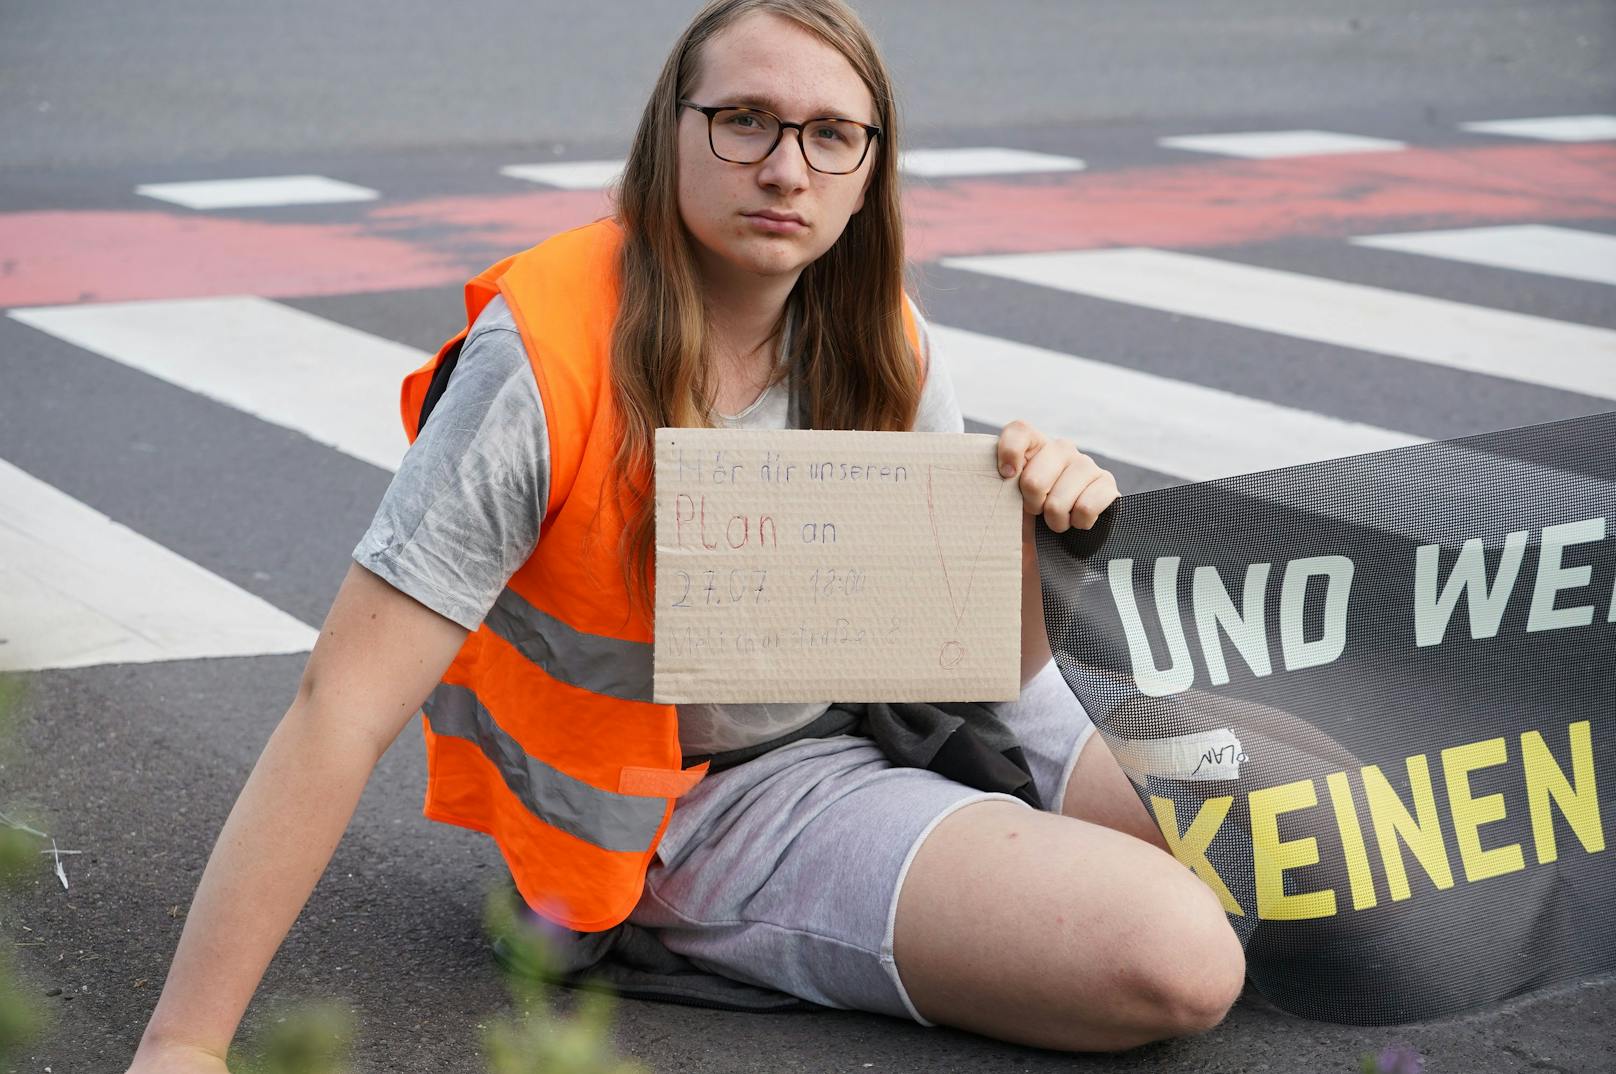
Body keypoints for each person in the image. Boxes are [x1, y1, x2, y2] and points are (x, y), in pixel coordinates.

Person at [124, 1, 1244, 1068]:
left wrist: (1029, 530)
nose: (784, 166)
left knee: (1295, 824)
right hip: (695, 808)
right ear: (671, 133)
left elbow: (965, 672)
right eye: (743, 118)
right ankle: (647, 928)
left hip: (885, 720)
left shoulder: (880, 336)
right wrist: (185, 1043)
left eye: (830, 135)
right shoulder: (547, 358)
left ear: (868, 173)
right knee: (1179, 961)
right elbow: (343, 705)